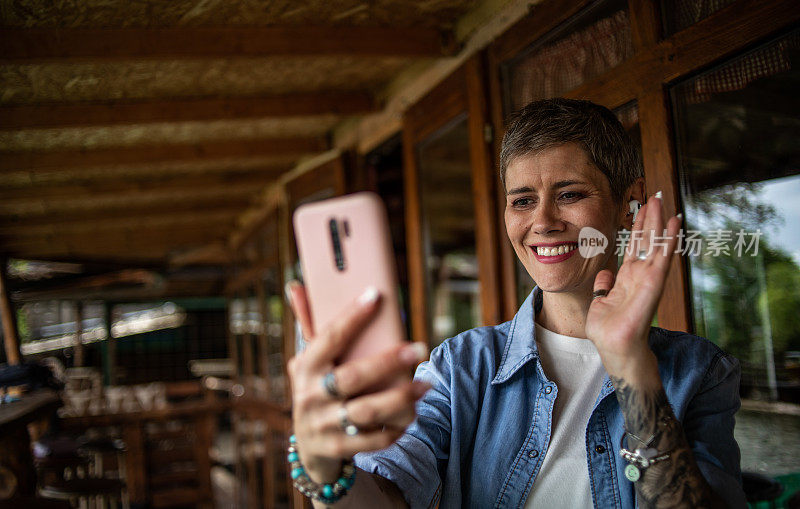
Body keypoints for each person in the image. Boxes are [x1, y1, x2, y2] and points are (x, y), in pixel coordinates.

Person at [285, 98, 745, 508]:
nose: (542, 221)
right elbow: (388, 496)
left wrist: (631, 366)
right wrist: (328, 470)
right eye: (523, 200)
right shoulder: (460, 367)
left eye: (570, 194)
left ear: (629, 202)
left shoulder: (699, 371)